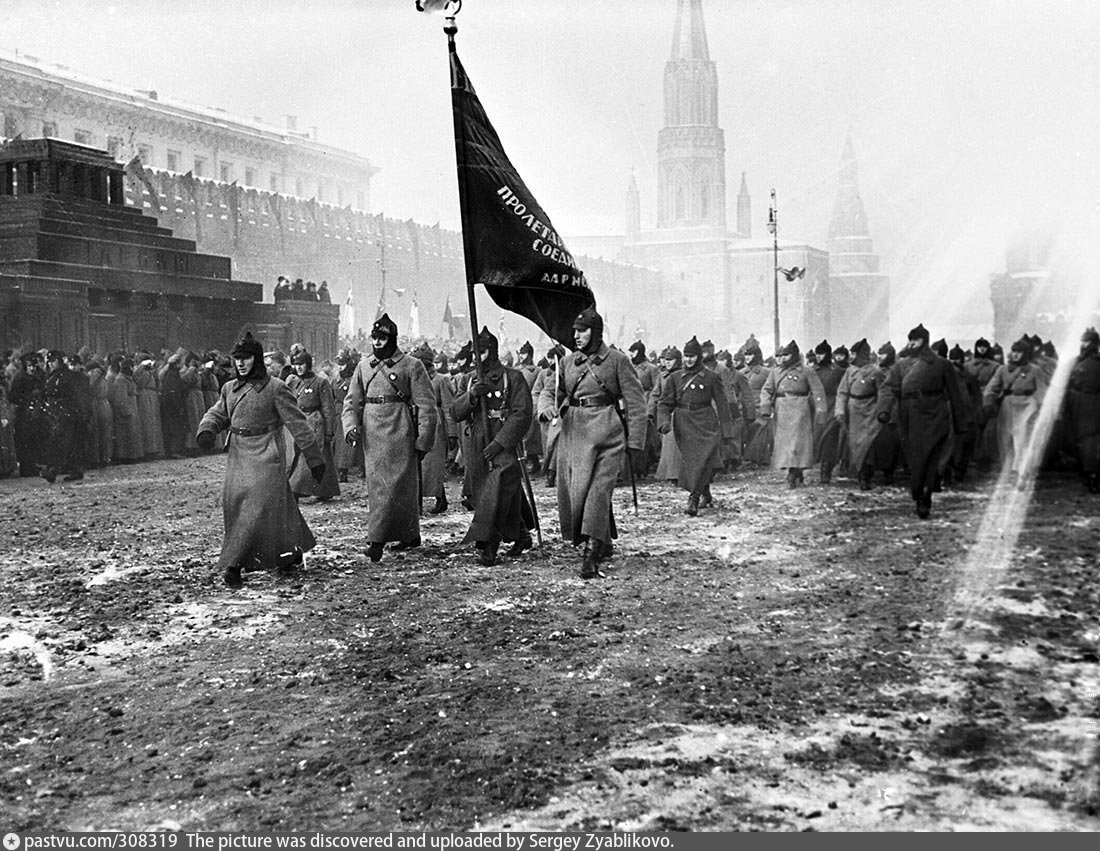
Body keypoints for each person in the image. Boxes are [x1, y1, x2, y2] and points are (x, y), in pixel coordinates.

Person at [196, 332, 326, 588]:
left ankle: (233, 564)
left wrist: (314, 458)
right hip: (238, 456)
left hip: (267, 454)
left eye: (246, 359)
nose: (241, 364)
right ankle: (291, 551)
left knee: (254, 508)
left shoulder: (275, 388)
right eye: (237, 359)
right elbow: (218, 412)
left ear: (256, 360)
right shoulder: (229, 389)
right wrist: (207, 429)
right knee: (245, 505)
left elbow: (297, 423)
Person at [537, 307, 646, 579]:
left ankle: (592, 551)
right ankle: (603, 540)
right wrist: (548, 407)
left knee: (598, 491)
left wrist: (634, 441)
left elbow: (635, 402)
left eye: (582, 331)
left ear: (595, 332)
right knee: (579, 493)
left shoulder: (618, 361)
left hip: (608, 432)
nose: (576, 336)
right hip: (575, 432)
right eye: (574, 331)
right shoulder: (566, 363)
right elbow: (550, 391)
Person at [341, 313, 437, 562]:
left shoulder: (412, 365)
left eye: (382, 338)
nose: (378, 342)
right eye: (374, 337)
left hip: (400, 429)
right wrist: (350, 426)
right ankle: (393, 536)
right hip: (372, 433)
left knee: (400, 486)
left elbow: (426, 405)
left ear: (392, 339)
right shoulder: (363, 366)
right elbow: (351, 402)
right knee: (378, 488)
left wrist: (424, 439)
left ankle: (380, 540)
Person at [452, 327, 535, 565]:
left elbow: (522, 414)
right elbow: (455, 412)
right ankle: (521, 534)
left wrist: (500, 443)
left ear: (494, 352)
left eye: (484, 352)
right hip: (476, 443)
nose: (478, 358)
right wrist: (471, 396)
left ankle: (489, 546)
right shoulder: (468, 380)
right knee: (486, 495)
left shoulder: (513, 377)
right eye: (475, 353)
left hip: (502, 442)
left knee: (497, 490)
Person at [876, 324, 967, 518]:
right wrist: (883, 410)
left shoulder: (942, 364)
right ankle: (920, 492)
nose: (911, 344)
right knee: (916, 456)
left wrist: (960, 423)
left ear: (924, 341)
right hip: (909, 414)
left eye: (915, 340)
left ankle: (924, 495)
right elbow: (888, 388)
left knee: (932, 455)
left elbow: (955, 393)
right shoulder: (901, 365)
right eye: (909, 340)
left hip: (935, 413)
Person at [657, 336, 734, 515]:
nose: (688, 360)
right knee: (694, 462)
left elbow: (723, 405)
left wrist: (728, 432)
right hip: (684, 423)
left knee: (703, 459)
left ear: (699, 357)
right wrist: (664, 422)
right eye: (686, 356)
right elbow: (664, 403)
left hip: (706, 422)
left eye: (692, 356)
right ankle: (704, 492)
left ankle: (694, 498)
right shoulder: (675, 378)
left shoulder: (711, 377)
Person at [758, 340, 827, 488]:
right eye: (781, 355)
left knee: (798, 444)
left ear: (794, 355)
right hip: (782, 408)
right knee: (785, 443)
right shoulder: (775, 372)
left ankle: (795, 472)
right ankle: (792, 470)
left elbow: (817, 391)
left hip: (801, 409)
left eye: (787, 355)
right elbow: (767, 390)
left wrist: (821, 410)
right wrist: (765, 406)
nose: (783, 358)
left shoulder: (807, 371)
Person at [981, 335, 1049, 482]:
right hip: (1008, 403)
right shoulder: (1003, 369)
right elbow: (992, 386)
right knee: (1004, 437)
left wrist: (1041, 407)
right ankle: (1008, 468)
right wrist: (989, 400)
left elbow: (1041, 390)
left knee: (1023, 437)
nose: (1016, 354)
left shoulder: (1034, 370)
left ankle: (1020, 470)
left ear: (1026, 353)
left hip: (1027, 404)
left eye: (1019, 352)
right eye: (1014, 351)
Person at [286, 349, 341, 502]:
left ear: (308, 365)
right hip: (298, 420)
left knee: (313, 455)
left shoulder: (320, 382)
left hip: (314, 421)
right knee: (296, 455)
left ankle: (298, 488)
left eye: (301, 364)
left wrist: (330, 431)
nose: (298, 368)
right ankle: (320, 489)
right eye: (296, 364)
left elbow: (328, 408)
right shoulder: (293, 382)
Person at [835, 338, 886, 490]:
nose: (850, 356)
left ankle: (866, 476)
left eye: (853, 353)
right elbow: (842, 392)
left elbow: (883, 392)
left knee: (868, 444)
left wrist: (882, 410)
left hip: (870, 411)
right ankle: (859, 473)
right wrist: (840, 410)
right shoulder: (850, 371)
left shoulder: (875, 371)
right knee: (855, 444)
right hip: (853, 412)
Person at [412, 343, 453, 514]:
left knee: (433, 466)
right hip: (417, 422)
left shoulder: (441, 380)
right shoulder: (413, 379)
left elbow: (448, 408)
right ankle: (417, 500)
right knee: (417, 465)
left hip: (436, 425)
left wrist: (452, 433)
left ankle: (440, 499)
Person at [39, 350, 87, 483]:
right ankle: (58, 470)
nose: (50, 363)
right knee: (60, 442)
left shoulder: (69, 376)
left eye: (53, 361)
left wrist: (80, 412)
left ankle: (55, 471)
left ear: (59, 361)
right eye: (48, 361)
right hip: (55, 413)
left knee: (65, 442)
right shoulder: (52, 376)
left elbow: (78, 395)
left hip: (67, 413)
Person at [1065, 327, 1100, 492]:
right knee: (1077, 440)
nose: (1084, 345)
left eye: (1088, 341)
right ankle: (1085, 473)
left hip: (1092, 403)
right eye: (1083, 341)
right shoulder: (1075, 361)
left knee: (1090, 441)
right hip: (1074, 403)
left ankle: (1092, 475)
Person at [812, 340, 847, 484]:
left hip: (832, 406)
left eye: (822, 354)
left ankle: (826, 470)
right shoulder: (812, 370)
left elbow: (844, 389)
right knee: (817, 439)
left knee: (830, 440)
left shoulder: (838, 371)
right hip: (816, 408)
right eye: (817, 354)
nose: (819, 357)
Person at [331, 349, 364, 482]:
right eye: (339, 363)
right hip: (338, 412)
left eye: (343, 363)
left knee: (354, 442)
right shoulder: (335, 380)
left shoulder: (354, 380)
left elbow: (357, 398)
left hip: (352, 411)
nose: (340, 367)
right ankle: (341, 470)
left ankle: (361, 468)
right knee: (339, 444)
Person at [515, 341, 543, 476]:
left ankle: (533, 460)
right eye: (520, 353)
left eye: (524, 353)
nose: (521, 356)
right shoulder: (515, 370)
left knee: (531, 435)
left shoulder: (537, 371)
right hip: (517, 404)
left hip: (531, 404)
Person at [108, 357, 142, 464]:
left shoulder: (126, 379)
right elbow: (120, 398)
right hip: (127, 409)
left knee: (132, 433)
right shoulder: (121, 380)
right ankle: (126, 456)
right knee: (126, 434)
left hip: (131, 406)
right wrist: (126, 411)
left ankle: (132, 455)